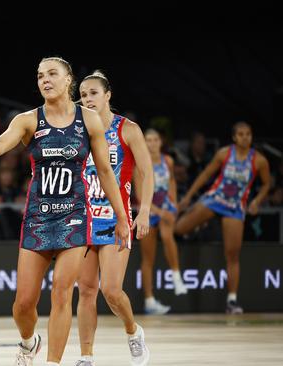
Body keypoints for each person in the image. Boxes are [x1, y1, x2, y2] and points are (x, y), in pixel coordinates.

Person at [0, 58, 130, 366]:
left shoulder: (89, 120)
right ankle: (29, 341)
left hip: (75, 216)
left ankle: (53, 363)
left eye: (52, 74)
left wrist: (122, 217)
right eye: (40, 75)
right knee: (23, 304)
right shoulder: (28, 119)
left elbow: (106, 172)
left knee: (61, 294)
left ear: (69, 80)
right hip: (39, 218)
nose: (45, 80)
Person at [75, 71, 152, 366]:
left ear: (107, 95)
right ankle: (86, 357)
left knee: (110, 289)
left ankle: (133, 332)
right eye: (83, 95)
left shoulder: (127, 129)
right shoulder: (79, 129)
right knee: (86, 291)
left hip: (115, 219)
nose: (87, 99)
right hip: (84, 219)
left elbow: (146, 172)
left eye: (93, 93)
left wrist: (143, 210)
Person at [176, 121, 270, 314]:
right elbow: (204, 176)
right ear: (234, 137)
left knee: (232, 255)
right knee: (179, 228)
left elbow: (267, 184)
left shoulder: (259, 160)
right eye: (241, 134)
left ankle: (232, 301)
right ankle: (200, 224)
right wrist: (186, 198)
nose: (245, 137)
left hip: (235, 208)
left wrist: (257, 201)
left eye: (248, 134)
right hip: (215, 199)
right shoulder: (224, 154)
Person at [138, 129, 188, 317]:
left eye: (155, 139)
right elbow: (138, 192)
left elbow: (172, 182)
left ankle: (176, 277)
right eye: (148, 140)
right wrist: (159, 212)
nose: (151, 143)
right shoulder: (139, 162)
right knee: (148, 259)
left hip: (165, 205)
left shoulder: (168, 161)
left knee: (168, 236)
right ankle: (149, 301)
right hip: (147, 209)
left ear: (160, 142)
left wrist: (173, 205)